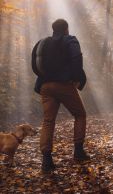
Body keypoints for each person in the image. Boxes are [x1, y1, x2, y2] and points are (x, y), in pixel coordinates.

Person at [32, 19, 90, 173]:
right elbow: (77, 58)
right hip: (63, 84)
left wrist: (45, 78)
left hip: (45, 85)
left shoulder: (42, 43)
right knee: (80, 115)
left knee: (48, 121)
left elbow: (34, 65)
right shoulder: (70, 40)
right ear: (66, 29)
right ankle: (78, 151)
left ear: (53, 29)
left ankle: (46, 160)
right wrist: (77, 78)